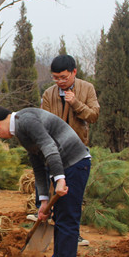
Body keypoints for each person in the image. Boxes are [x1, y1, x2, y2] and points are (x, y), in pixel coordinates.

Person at [0, 106, 91, 257]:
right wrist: (44, 202)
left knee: (68, 220)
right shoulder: (21, 131)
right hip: (66, 167)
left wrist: (60, 178)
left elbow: (50, 146)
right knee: (59, 218)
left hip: (74, 164)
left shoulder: (26, 120)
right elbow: (38, 167)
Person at [40, 55, 99, 246]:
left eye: (64, 77)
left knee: (72, 196)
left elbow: (93, 116)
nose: (60, 81)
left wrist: (75, 103)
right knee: (53, 192)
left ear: (74, 72)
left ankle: (74, 233)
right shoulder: (49, 94)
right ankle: (54, 230)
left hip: (77, 152)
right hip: (54, 151)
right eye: (56, 78)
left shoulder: (87, 88)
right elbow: (44, 121)